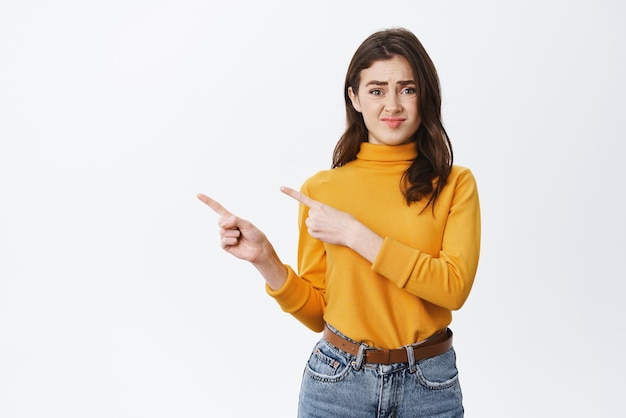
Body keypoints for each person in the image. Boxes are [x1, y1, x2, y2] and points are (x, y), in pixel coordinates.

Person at [198, 27, 480, 418]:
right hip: (337, 382)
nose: (393, 105)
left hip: (429, 386)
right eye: (377, 90)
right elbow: (318, 314)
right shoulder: (322, 189)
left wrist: (356, 235)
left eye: (408, 89)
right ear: (355, 97)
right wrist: (266, 260)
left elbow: (453, 289)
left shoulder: (454, 183)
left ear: (425, 96)